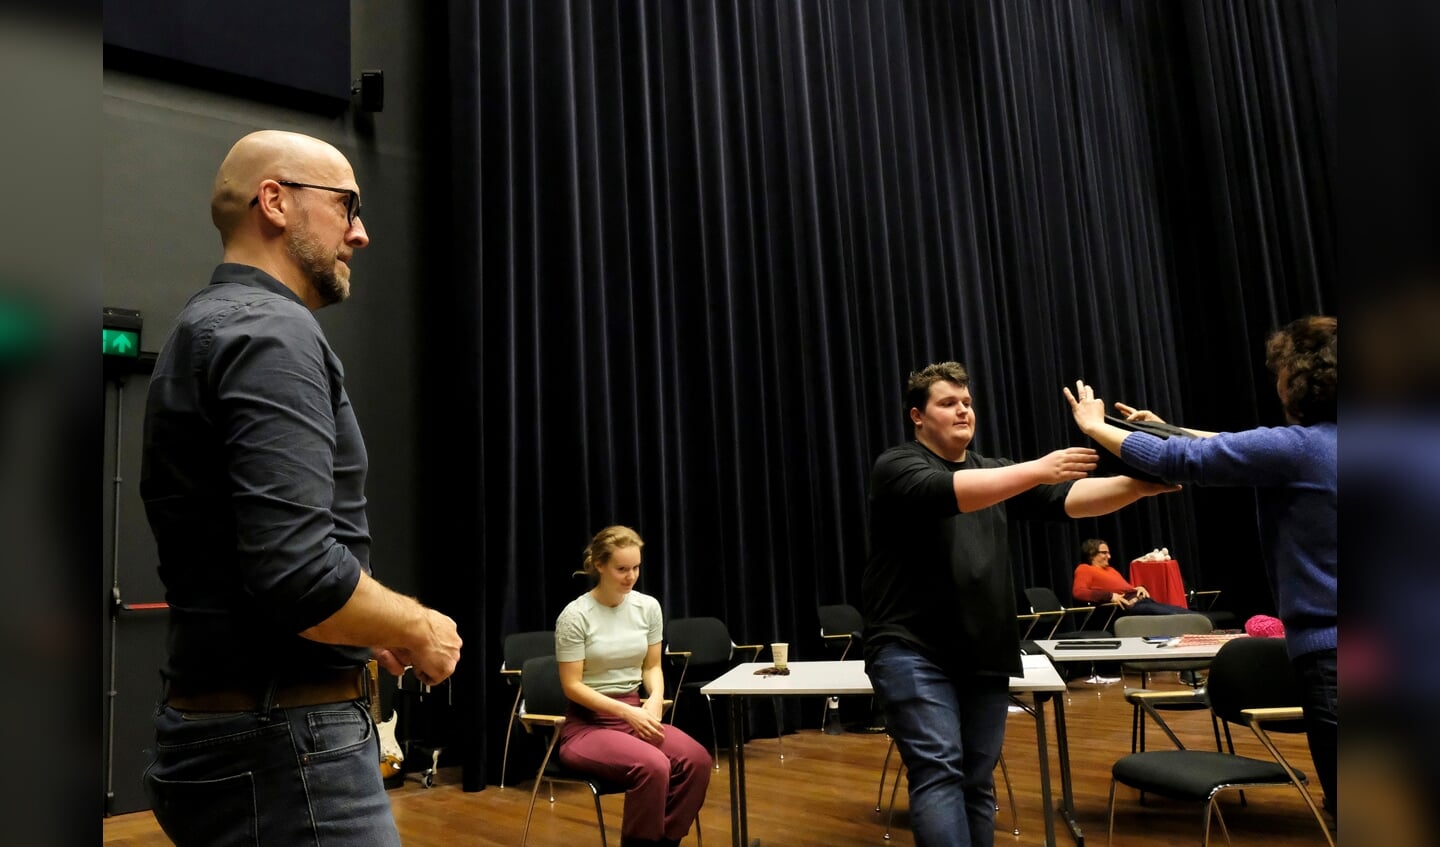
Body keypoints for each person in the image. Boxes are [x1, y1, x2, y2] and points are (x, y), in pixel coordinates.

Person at [140, 130, 463, 846]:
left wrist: (362, 628)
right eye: (346, 205)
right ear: (275, 201)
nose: (361, 232)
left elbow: (246, 561)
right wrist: (418, 625)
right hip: (287, 747)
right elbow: (297, 573)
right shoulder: (273, 333)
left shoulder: (203, 328)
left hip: (237, 733)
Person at [862, 361, 1179, 847]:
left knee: (976, 780)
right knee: (939, 771)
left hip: (984, 652)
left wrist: (1139, 486)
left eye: (967, 402)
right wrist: (1034, 470)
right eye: (948, 403)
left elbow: (1073, 498)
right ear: (918, 417)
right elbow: (949, 492)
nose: (963, 410)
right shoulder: (898, 466)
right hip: (911, 649)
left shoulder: (997, 472)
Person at [1064, 314, 1336, 818]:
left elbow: (1188, 461)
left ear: (1300, 380)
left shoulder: (1301, 450)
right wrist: (1168, 429)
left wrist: (1095, 427)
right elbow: (1235, 448)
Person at [554, 526, 710, 847]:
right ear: (599, 565)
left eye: (636, 567)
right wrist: (627, 711)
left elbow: (651, 666)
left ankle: (664, 841)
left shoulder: (648, 607)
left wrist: (655, 697)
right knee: (653, 766)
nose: (631, 576)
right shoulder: (575, 616)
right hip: (588, 726)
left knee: (697, 760)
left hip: (634, 716)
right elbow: (572, 686)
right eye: (622, 569)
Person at [1072, 538, 1193, 615]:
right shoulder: (1084, 569)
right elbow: (1079, 593)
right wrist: (1110, 596)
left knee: (1182, 612)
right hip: (1131, 607)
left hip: (1143, 601)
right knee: (1176, 616)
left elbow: (1125, 587)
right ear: (1091, 554)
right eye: (1104, 553)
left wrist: (1138, 588)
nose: (1109, 556)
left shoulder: (1110, 569)